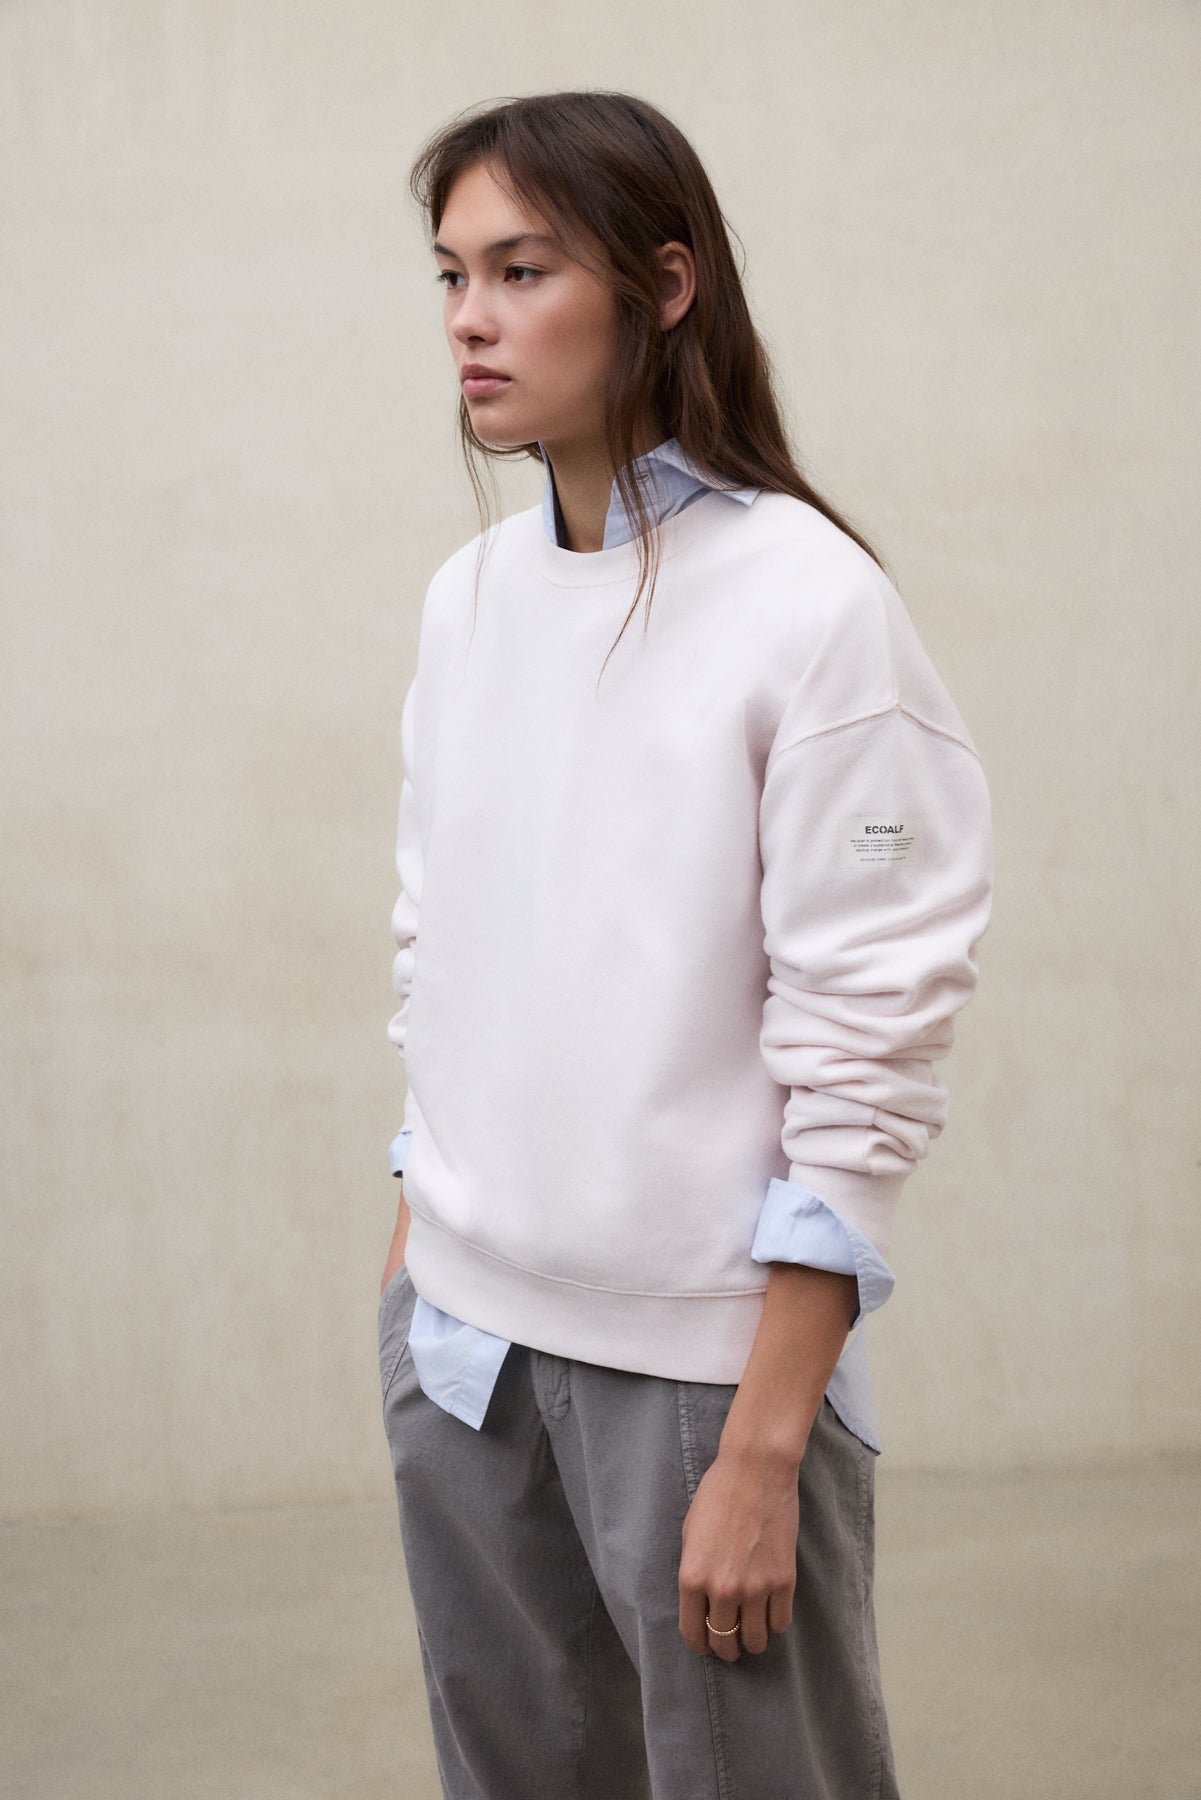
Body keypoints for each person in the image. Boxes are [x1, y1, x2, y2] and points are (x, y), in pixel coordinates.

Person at [376, 89, 992, 1800]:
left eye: (521, 271)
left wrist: (767, 1439)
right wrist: (416, 1242)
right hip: (462, 1344)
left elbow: (868, 1033)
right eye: (451, 275)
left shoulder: (810, 606)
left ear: (663, 287)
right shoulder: (469, 600)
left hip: (701, 1374)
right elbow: (441, 938)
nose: (471, 320)